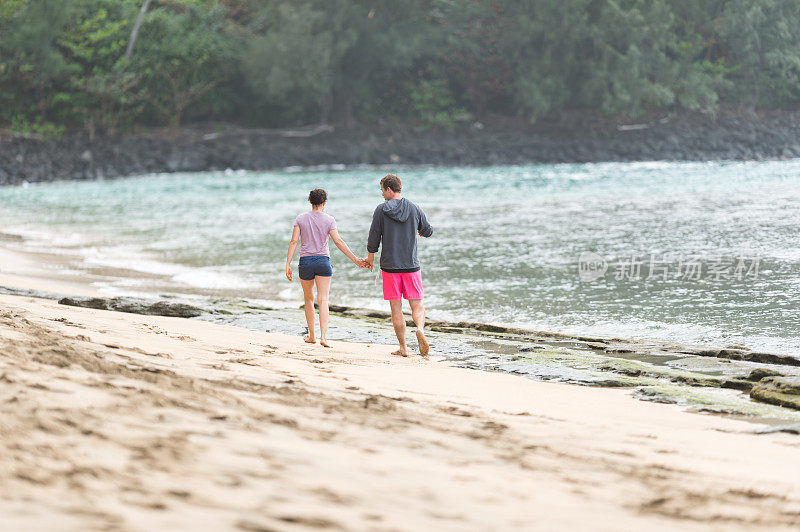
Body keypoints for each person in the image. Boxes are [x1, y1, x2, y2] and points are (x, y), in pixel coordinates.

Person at [286, 188, 366, 347]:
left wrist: (287, 264)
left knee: (309, 299)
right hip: (323, 261)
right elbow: (338, 241)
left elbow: (294, 242)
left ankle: (312, 336)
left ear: (310, 201)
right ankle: (323, 337)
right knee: (323, 300)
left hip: (306, 262)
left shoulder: (300, 219)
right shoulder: (329, 220)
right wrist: (356, 260)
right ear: (324, 202)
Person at [365, 174, 433, 357]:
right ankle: (420, 329)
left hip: (389, 267)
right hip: (411, 265)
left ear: (389, 189)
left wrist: (370, 257)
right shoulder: (414, 208)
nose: (381, 194)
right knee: (417, 305)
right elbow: (428, 230)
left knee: (396, 308)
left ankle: (403, 348)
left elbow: (374, 237)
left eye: (382, 190)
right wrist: (419, 231)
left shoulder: (381, 210)